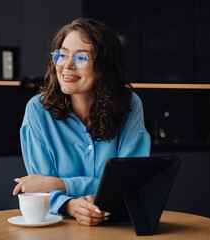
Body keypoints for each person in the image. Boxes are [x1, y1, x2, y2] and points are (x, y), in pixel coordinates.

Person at [13, 18, 151, 226]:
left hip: (120, 228)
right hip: (61, 229)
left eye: (81, 58)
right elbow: (40, 189)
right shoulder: (37, 110)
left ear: (104, 66)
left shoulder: (130, 105)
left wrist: (60, 184)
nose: (67, 65)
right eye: (62, 55)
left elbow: (130, 186)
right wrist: (72, 206)